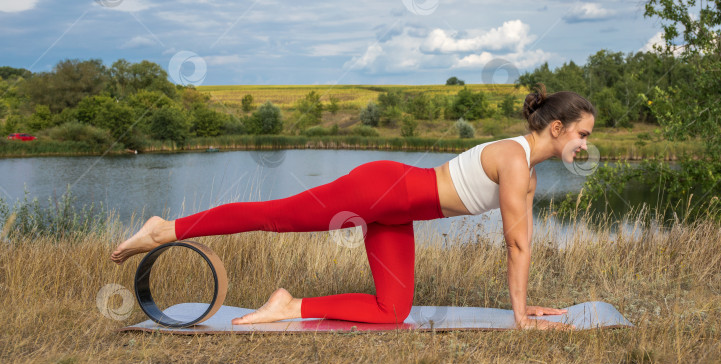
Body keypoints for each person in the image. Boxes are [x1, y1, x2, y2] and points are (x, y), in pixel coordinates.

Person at [111, 83, 596, 330]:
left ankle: (289, 306)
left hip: (398, 212)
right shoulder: (514, 159)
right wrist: (518, 317)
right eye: (583, 134)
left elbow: (522, 243)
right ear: (557, 128)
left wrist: (522, 305)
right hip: (381, 191)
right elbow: (515, 242)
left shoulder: (526, 172)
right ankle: (165, 228)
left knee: (392, 311)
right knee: (275, 216)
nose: (585, 144)